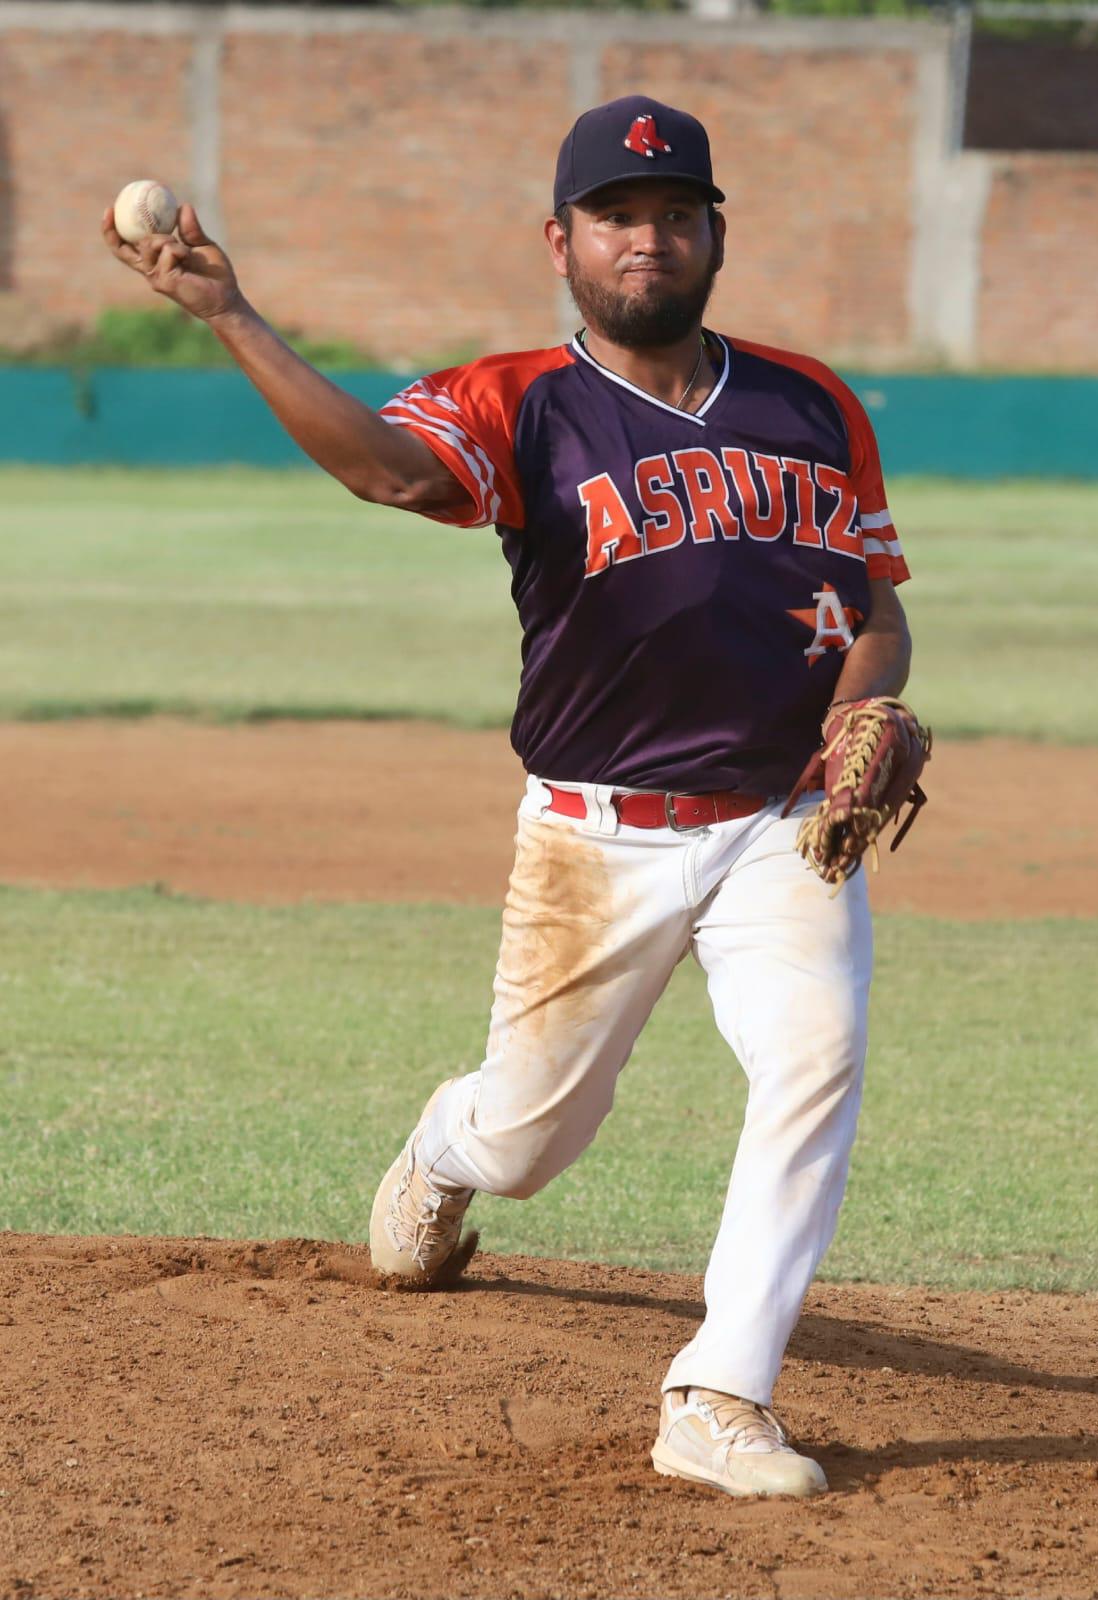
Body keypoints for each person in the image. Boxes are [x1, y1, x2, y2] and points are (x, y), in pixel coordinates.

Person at [103, 94, 913, 1500]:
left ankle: (717, 1396)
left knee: (815, 1059)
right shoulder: (519, 397)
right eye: (615, 217)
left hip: (782, 821)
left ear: (713, 231)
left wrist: (870, 711)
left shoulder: (809, 402)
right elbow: (384, 469)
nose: (645, 240)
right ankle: (443, 1146)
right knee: (527, 1143)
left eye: (673, 213)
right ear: (562, 239)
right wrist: (229, 313)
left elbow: (876, 611)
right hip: (594, 837)